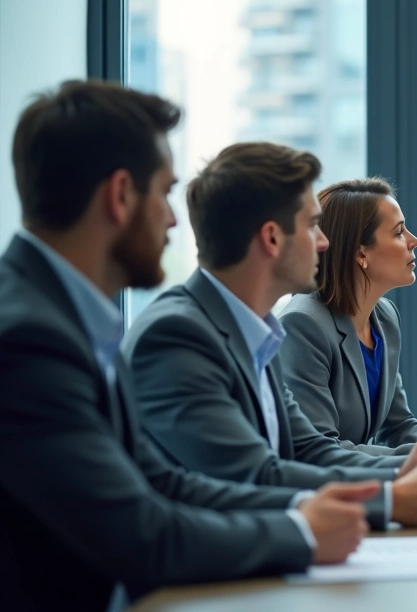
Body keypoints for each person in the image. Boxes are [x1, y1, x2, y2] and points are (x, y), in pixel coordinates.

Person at [0, 80, 372, 610]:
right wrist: (303, 534)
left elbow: (164, 482)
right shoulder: (28, 340)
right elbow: (142, 534)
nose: (174, 220)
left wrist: (307, 508)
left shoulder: (66, 320)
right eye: (164, 193)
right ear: (121, 195)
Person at [122, 142, 417, 530]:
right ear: (272, 238)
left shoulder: (256, 332)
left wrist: (413, 468)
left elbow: (309, 449)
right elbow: (254, 474)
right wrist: (392, 500)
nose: (324, 242)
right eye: (310, 226)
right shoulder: (177, 335)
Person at [279, 178, 417, 481]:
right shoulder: (303, 325)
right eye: (398, 232)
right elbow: (317, 450)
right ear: (360, 253)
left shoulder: (385, 317)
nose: (414, 240)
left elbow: (398, 423)